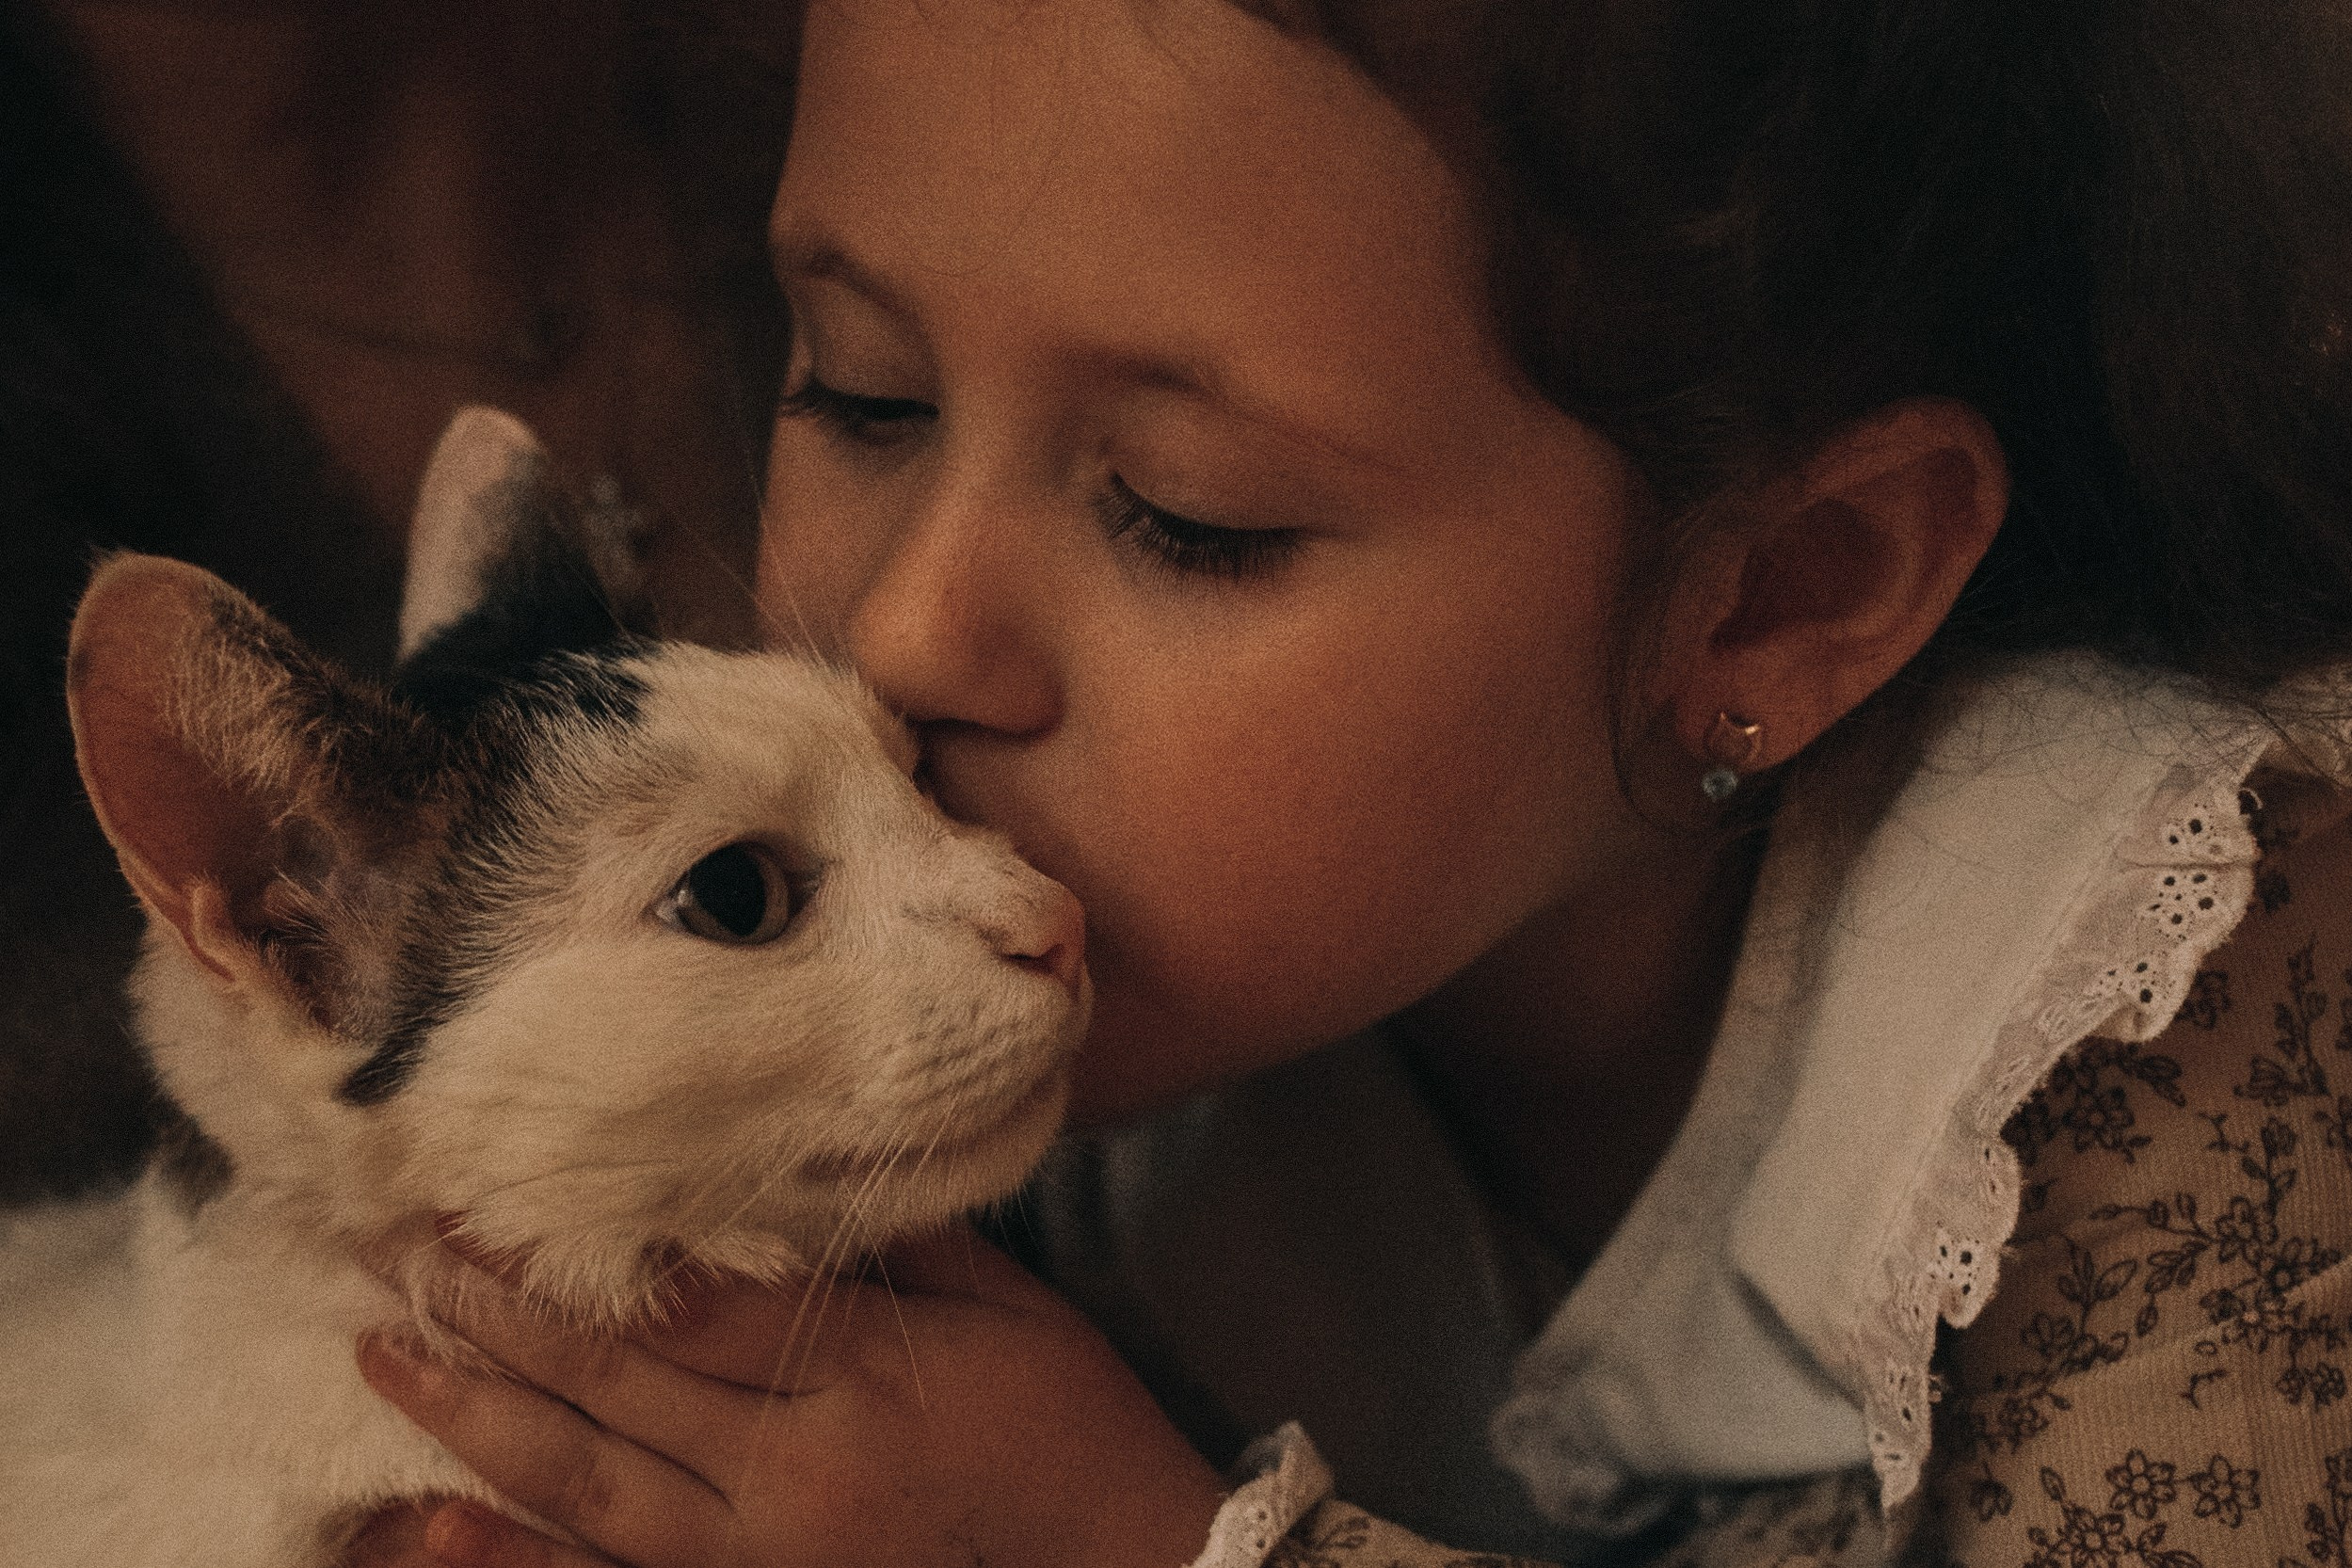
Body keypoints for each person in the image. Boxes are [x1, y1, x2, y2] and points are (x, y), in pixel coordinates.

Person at [305, 0, 2352, 1562]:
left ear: (1774, 599)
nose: (907, 634)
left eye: (1184, 515)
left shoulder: (2200, 1013)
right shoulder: (1032, 1035)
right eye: (857, 387)